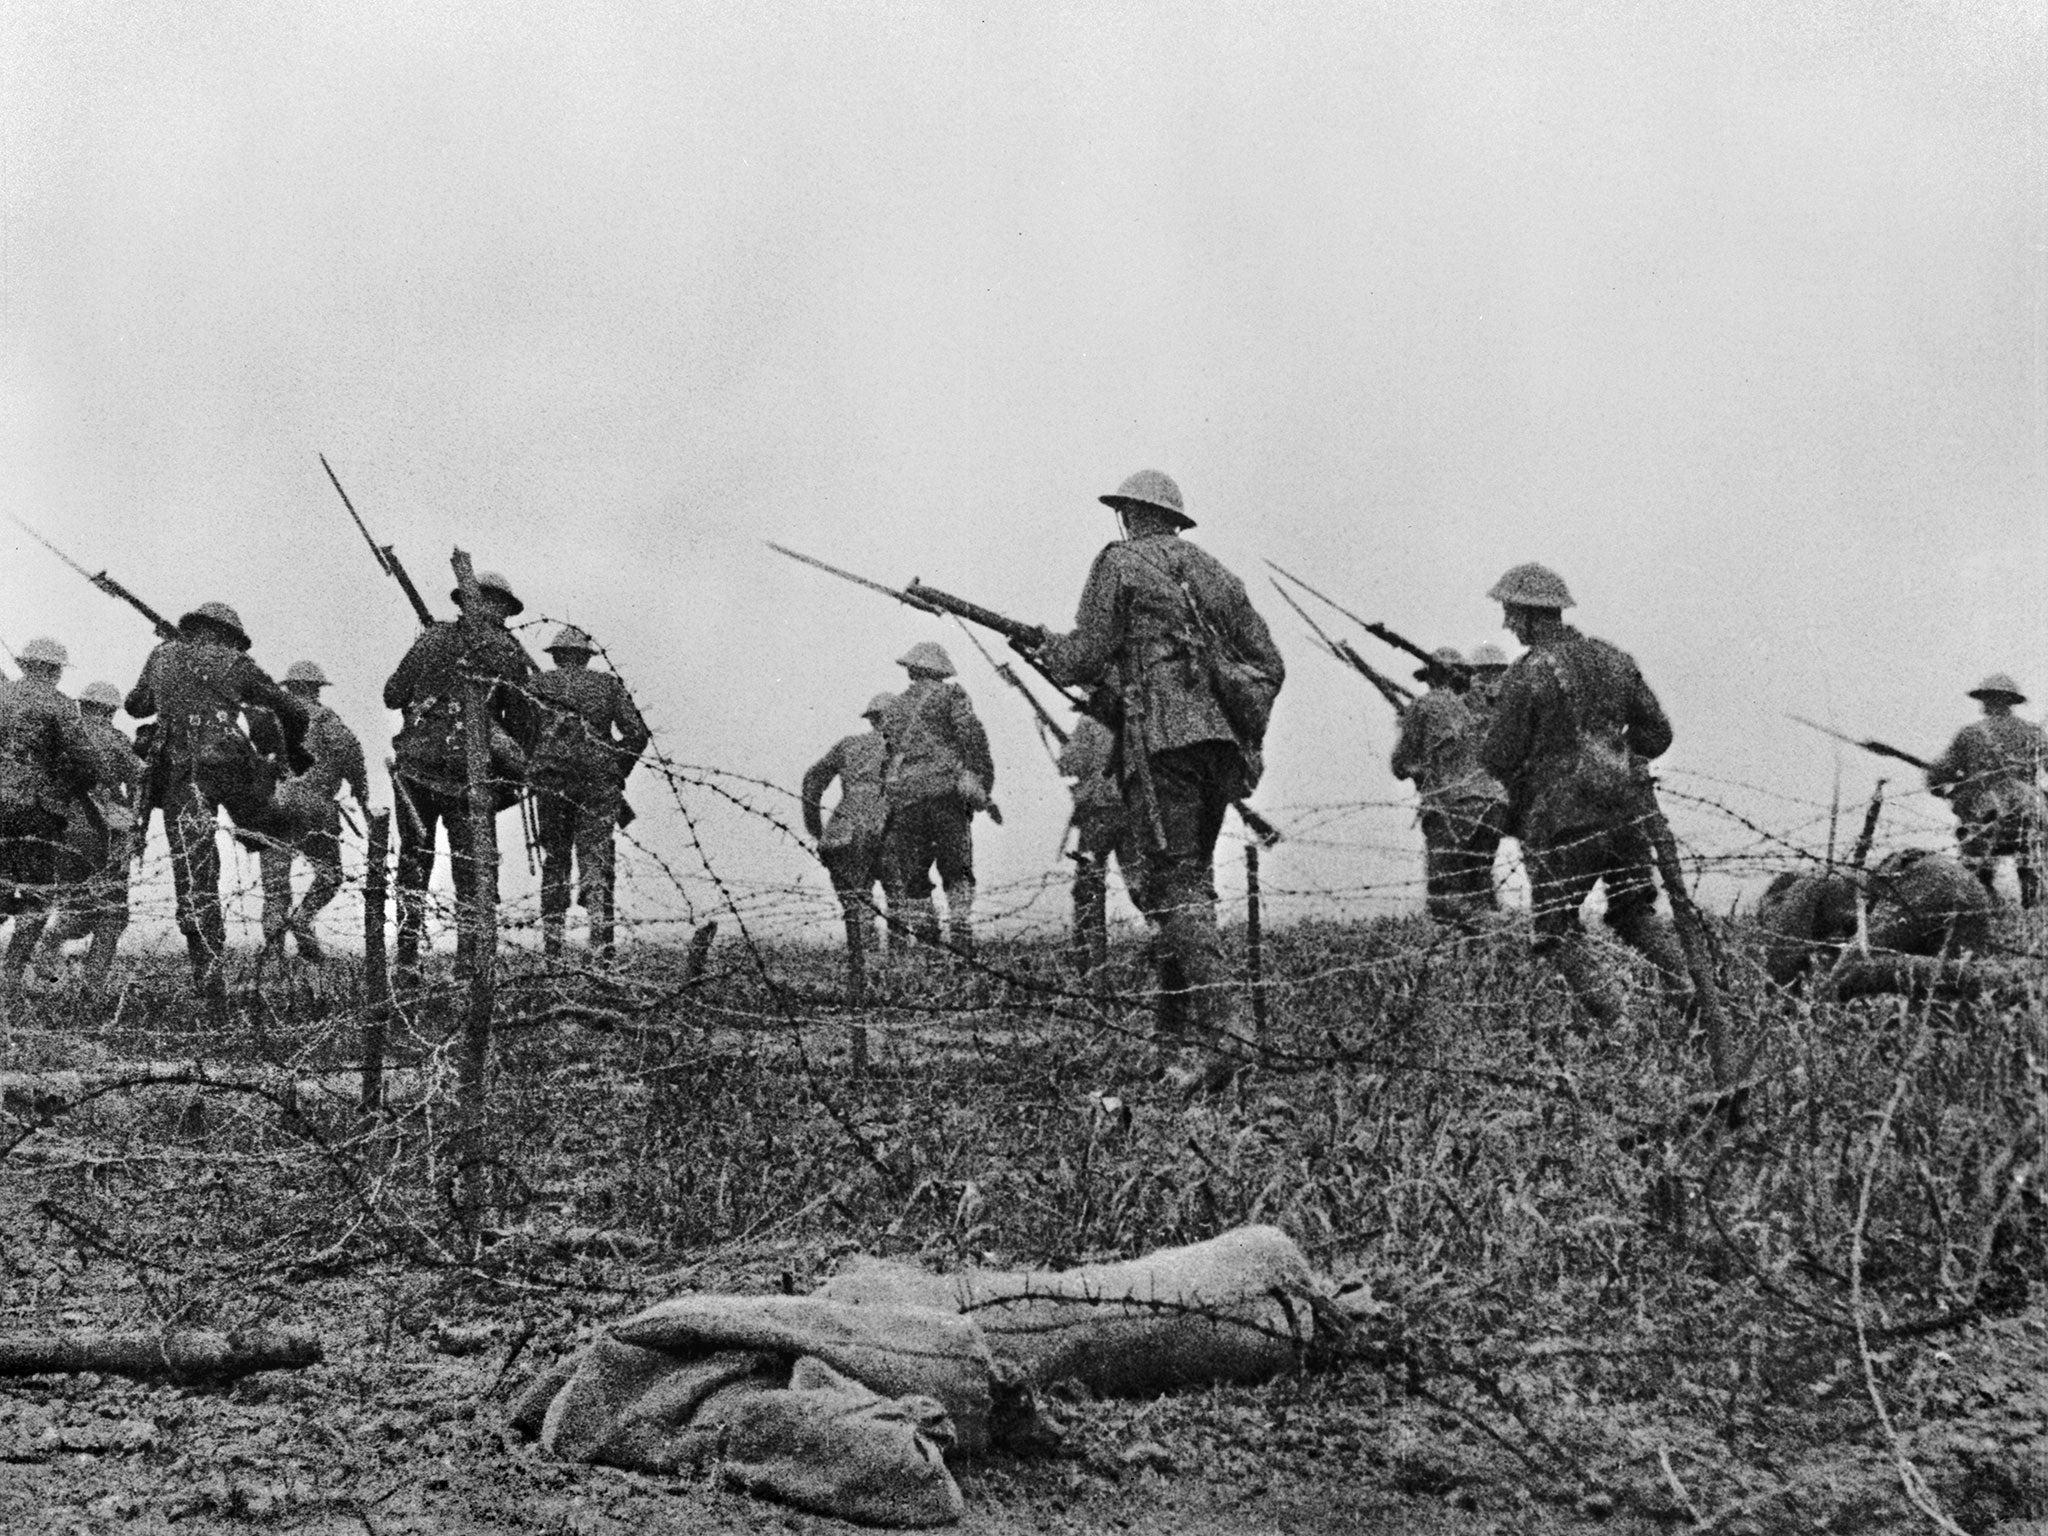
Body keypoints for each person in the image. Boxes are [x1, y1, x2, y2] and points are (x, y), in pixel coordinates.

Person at [1032, 469, 1284, 1088]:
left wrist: (1045, 649)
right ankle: (1171, 1040)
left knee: (1173, 887)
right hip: (1219, 749)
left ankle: (1229, 1038)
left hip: (1162, 746)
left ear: (1129, 515)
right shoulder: (1218, 574)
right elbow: (1268, 665)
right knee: (1189, 884)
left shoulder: (1118, 563)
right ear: (1175, 518)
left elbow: (1086, 657)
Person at [1477, 563, 1691, 1027]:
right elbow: (1658, 733)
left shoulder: (1526, 675)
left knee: (1554, 931)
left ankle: (1620, 1025)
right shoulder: (1613, 659)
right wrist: (1610, 754)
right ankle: (1688, 996)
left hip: (1561, 821)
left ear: (1532, 615)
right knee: (1635, 911)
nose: (1507, 625)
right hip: (1626, 812)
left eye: (1511, 613)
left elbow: (1497, 756)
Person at [127, 604, 310, 1001]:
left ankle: (208, 979)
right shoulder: (236, 661)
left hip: (178, 770)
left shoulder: (161, 655)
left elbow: (136, 706)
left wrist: (170, 675)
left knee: (193, 871)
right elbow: (291, 708)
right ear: (228, 635)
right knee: (276, 831)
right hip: (231, 766)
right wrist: (289, 755)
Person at [382, 569, 538, 984]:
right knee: (472, 868)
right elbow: (524, 719)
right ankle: (469, 965)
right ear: (498, 606)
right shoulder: (507, 651)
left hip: (415, 768)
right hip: (469, 774)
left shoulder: (432, 639)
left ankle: (408, 960)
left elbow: (392, 695)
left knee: (414, 860)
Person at [529, 625, 650, 959]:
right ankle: (600, 945)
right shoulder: (607, 685)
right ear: (585, 657)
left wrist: (536, 763)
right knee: (596, 859)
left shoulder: (537, 685)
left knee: (555, 860)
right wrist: (614, 769)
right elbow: (637, 734)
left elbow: (524, 733)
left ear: (555, 656)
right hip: (598, 784)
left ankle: (553, 948)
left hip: (551, 782)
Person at [20, 680, 140, 986]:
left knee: (75, 903)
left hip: (61, 829)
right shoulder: (117, 740)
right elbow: (140, 780)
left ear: (81, 705)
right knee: (112, 914)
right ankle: (92, 987)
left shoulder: (62, 740)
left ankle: (48, 948)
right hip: (105, 833)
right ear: (112, 711)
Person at [880, 642, 994, 956]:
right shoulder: (952, 695)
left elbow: (888, 755)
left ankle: (928, 949)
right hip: (945, 797)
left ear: (913, 669)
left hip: (906, 802)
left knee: (914, 877)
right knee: (957, 871)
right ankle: (962, 945)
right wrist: (983, 785)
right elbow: (973, 738)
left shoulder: (895, 708)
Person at [0, 640, 99, 998]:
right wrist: (66, 786)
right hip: (35, 811)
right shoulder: (59, 705)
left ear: (25, 664)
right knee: (36, 898)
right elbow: (89, 764)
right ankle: (9, 981)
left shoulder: (2, 695)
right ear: (56, 671)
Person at [256, 661, 369, 963]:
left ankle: (272, 960)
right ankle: (303, 919)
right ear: (314, 688)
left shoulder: (269, 719)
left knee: (275, 886)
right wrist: (362, 797)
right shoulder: (325, 718)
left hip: (275, 805)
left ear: (289, 687)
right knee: (330, 874)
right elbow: (352, 755)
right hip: (315, 806)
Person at [1390, 647, 1509, 929]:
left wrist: (1409, 730)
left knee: (1444, 900)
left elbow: (1400, 766)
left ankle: (1498, 928)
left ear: (1430, 677)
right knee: (1477, 890)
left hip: (1452, 806)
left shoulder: (1426, 705)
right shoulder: (1481, 709)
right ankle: (1486, 948)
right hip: (1494, 806)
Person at [1924, 673, 2045, 907]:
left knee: (1976, 880)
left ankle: (1983, 920)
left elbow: (1937, 776)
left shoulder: (1970, 734)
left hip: (1983, 817)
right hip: (2027, 817)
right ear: (2011, 702)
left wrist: (1949, 790)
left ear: (1985, 701)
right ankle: (2032, 931)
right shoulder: (2033, 733)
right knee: (2032, 878)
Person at [802, 692, 899, 983]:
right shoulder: (905, 749)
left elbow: (812, 780)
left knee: (857, 905)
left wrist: (817, 828)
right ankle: (897, 973)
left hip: (844, 830)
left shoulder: (848, 746)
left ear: (872, 719)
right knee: (900, 900)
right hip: (889, 828)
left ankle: (865, 972)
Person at [1059, 713, 1138, 977]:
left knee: (1087, 891)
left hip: (1099, 813)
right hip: (1135, 812)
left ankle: (1087, 967)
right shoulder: (1139, 714)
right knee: (1144, 887)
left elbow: (1068, 763)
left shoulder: (1089, 720)